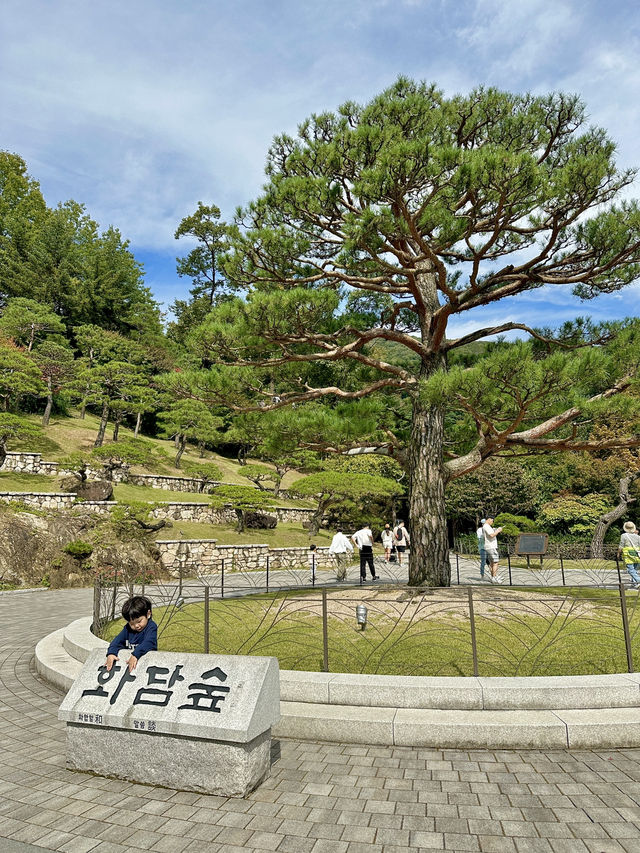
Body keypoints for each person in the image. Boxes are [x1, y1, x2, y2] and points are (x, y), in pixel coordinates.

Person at [106, 595, 157, 673]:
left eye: (139, 621)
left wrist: (135, 654)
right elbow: (116, 641)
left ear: (148, 614)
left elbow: (149, 643)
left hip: (148, 665)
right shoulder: (127, 629)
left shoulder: (151, 627)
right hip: (131, 666)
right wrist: (111, 653)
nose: (136, 626)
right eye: (132, 623)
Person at [619, 521, 640, 589]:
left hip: (628, 555)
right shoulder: (638, 537)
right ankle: (635, 584)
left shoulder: (624, 536)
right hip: (637, 554)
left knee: (630, 569)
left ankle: (638, 581)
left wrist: (618, 553)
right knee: (635, 569)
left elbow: (621, 546)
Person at [482, 517, 503, 583]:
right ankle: (494, 577)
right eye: (492, 521)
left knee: (491, 563)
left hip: (488, 547)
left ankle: (493, 576)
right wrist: (498, 531)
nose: (492, 522)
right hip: (491, 547)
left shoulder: (485, 526)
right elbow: (491, 535)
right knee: (495, 562)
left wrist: (495, 530)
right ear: (489, 519)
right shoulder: (487, 526)